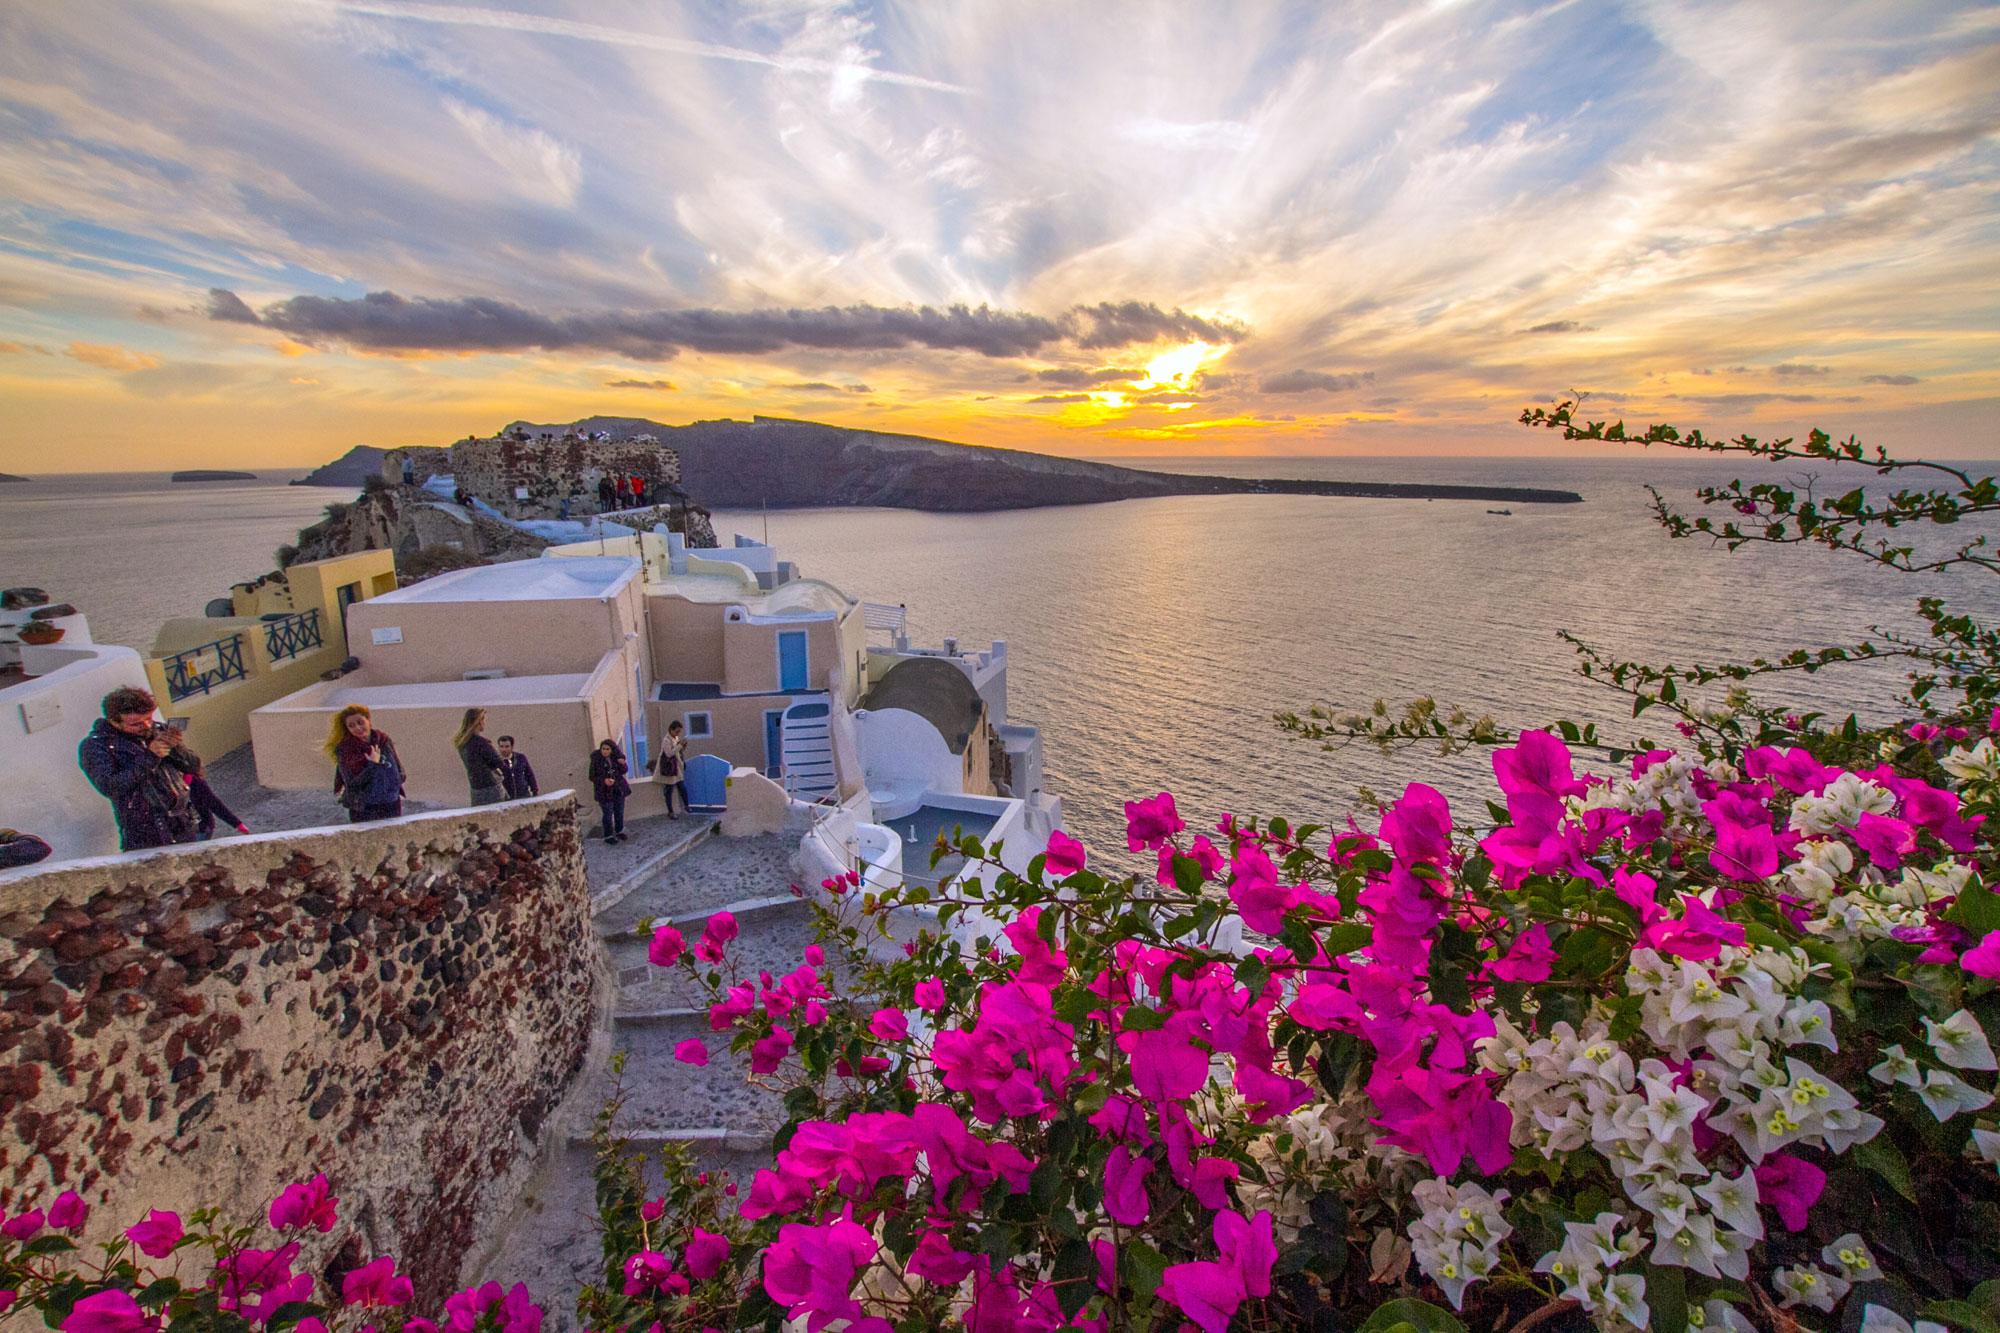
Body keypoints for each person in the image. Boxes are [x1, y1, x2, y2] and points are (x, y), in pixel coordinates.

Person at [78, 687, 199, 851]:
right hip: (145, 833)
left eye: (149, 718)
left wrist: (176, 748)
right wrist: (151, 756)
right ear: (114, 722)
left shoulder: (156, 729)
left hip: (183, 824)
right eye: (136, 724)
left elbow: (194, 767)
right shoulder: (96, 746)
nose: (146, 725)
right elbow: (111, 787)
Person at [161, 727, 248, 839]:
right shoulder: (166, 786)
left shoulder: (196, 784)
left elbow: (215, 804)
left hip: (201, 829)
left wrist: (238, 824)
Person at [328, 704, 404, 823]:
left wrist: (397, 780)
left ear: (368, 720)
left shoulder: (383, 739)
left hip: (391, 802)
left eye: (360, 722)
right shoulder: (345, 749)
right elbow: (352, 784)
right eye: (351, 726)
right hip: (364, 807)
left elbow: (397, 766)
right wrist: (372, 765)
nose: (357, 728)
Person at [454, 708, 506, 805]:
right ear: (479, 722)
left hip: (475, 788)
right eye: (484, 720)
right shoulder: (481, 743)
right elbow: (498, 762)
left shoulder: (462, 743)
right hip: (491, 787)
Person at [589, 739, 630, 843]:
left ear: (611, 750)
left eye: (607, 749)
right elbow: (592, 776)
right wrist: (604, 780)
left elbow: (624, 771)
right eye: (603, 749)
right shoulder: (596, 759)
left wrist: (622, 763)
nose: (605, 751)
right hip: (604, 791)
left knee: (619, 811)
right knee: (607, 813)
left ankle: (619, 831)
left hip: (617, 789)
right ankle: (608, 835)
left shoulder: (615, 758)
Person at [654, 719, 689, 817]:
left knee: (682, 787)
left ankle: (686, 805)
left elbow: (678, 751)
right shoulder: (666, 740)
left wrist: (682, 746)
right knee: (669, 790)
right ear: (671, 729)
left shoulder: (675, 738)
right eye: (676, 731)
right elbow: (669, 753)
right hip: (669, 768)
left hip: (676, 767)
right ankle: (670, 811)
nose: (677, 734)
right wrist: (679, 746)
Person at [496, 734, 539, 800]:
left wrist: (534, 790)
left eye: (507, 747)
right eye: (501, 746)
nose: (504, 749)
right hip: (506, 798)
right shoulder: (496, 761)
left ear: (512, 747)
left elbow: (529, 774)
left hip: (523, 795)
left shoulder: (520, 758)